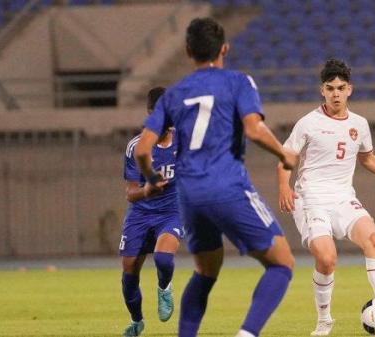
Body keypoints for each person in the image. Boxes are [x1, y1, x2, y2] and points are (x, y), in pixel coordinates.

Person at [133, 18, 298, 337]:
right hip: (227, 186)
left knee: (205, 272)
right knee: (281, 264)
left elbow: (142, 150)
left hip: (189, 195)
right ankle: (246, 334)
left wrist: (151, 179)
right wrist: (284, 154)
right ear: (225, 48)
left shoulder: (173, 95)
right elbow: (253, 129)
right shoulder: (238, 82)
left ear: (188, 50)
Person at [277, 59, 375, 336]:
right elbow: (285, 159)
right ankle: (324, 321)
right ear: (322, 90)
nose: (335, 93)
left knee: (373, 240)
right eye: (330, 88)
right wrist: (285, 187)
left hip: (344, 198)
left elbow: (368, 159)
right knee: (327, 258)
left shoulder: (359, 124)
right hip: (312, 199)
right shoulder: (308, 123)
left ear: (350, 90)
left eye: (341, 88)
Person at [120, 87, 181, 337]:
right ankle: (137, 321)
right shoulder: (136, 147)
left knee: (163, 258)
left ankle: (164, 287)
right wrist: (147, 190)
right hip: (140, 214)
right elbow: (130, 193)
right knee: (129, 273)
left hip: (172, 211)